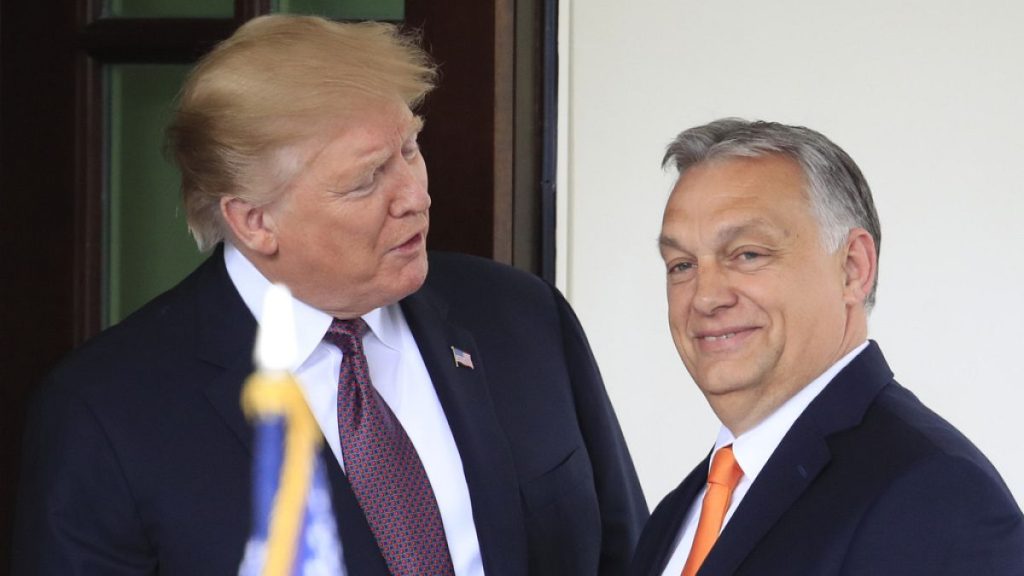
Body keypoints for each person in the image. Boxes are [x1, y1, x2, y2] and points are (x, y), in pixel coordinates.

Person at [13, 15, 647, 575]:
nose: (416, 195)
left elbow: (629, 555)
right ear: (254, 221)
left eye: (410, 148)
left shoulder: (521, 315)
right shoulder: (107, 413)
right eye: (366, 180)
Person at [630, 118, 1024, 575]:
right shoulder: (675, 516)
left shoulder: (936, 495)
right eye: (681, 265)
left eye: (748, 254)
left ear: (853, 269)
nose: (705, 297)